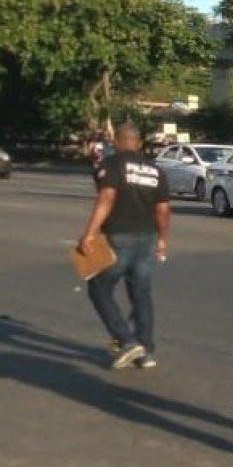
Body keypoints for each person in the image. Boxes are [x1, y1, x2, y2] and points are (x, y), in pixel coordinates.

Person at [78, 122, 170, 370]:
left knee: (99, 288)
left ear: (116, 142)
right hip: (147, 238)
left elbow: (107, 197)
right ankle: (146, 350)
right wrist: (162, 239)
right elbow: (162, 209)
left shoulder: (112, 164)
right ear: (138, 143)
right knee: (141, 294)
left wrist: (89, 233)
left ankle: (127, 341)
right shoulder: (156, 170)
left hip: (119, 237)